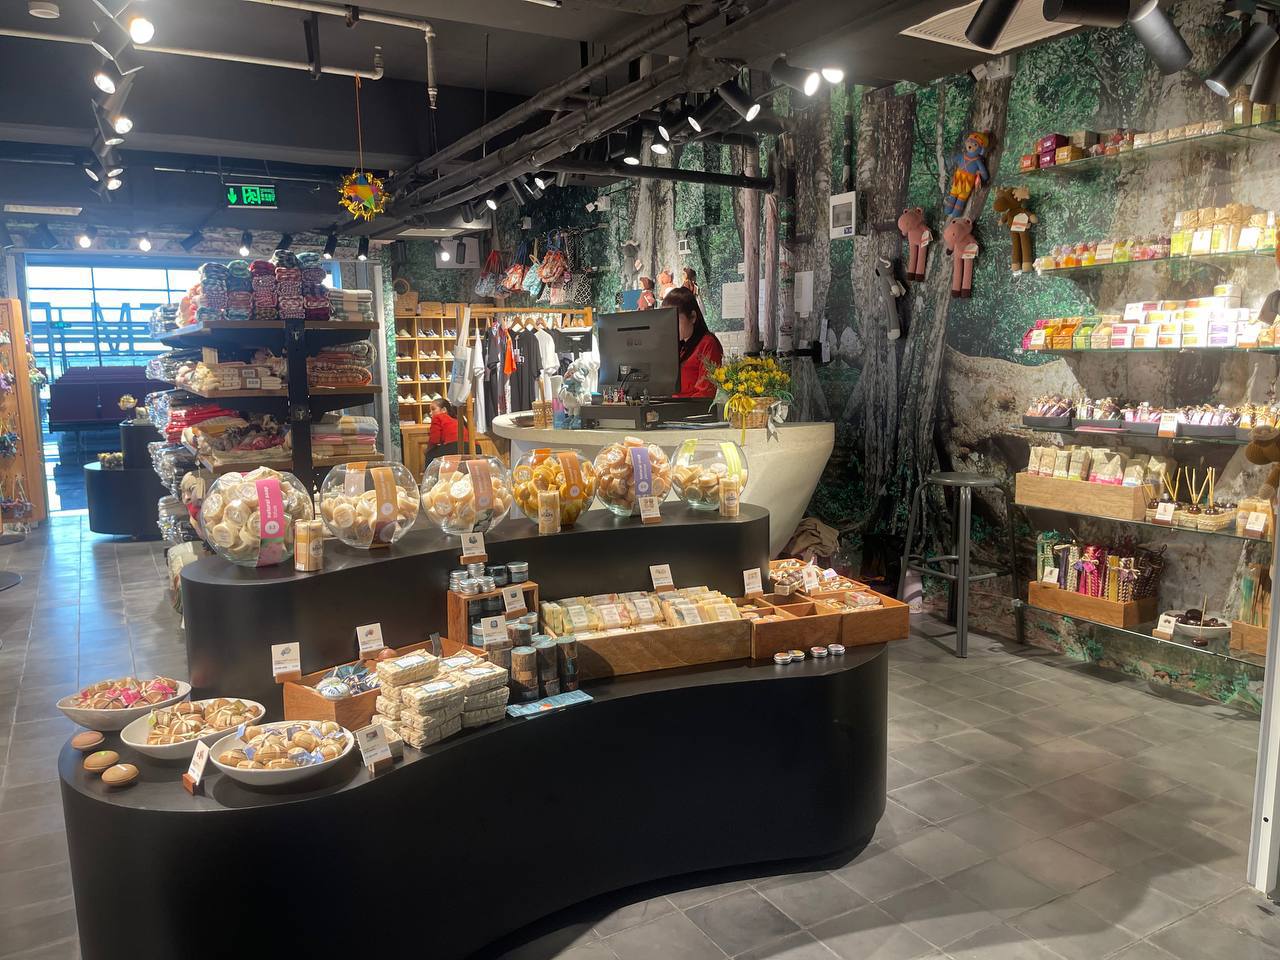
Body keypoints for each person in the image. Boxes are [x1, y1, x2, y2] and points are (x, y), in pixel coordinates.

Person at [663, 286, 723, 399]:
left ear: (693, 317)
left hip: (690, 408)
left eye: (676, 320)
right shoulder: (678, 345)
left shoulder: (708, 343)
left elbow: (705, 393)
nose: (671, 326)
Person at [424, 397, 467, 468]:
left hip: (454, 447)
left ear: (444, 410)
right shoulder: (457, 419)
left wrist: (427, 450)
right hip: (474, 448)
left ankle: (431, 475)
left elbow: (434, 440)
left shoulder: (437, 417)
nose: (430, 413)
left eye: (433, 409)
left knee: (430, 454)